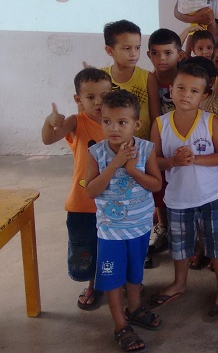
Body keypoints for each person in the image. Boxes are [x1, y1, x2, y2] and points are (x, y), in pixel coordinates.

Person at [149, 63, 218, 321]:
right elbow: (153, 161)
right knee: (180, 246)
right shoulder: (160, 124)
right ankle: (179, 282)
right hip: (177, 199)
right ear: (170, 91)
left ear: (203, 96)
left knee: (217, 246)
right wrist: (173, 162)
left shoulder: (210, 122)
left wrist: (195, 159)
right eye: (181, 88)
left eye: (194, 91)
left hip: (211, 195)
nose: (186, 94)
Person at [84, 90, 162, 353]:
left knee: (134, 274)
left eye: (121, 122)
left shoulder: (146, 149)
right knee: (113, 280)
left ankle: (135, 308)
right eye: (107, 122)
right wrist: (116, 163)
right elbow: (91, 190)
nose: (113, 128)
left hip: (140, 228)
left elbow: (156, 183)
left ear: (136, 124)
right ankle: (120, 325)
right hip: (110, 232)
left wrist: (130, 169)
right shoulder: (96, 153)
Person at [41, 68, 112, 311]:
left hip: (113, 203)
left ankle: (112, 282)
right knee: (86, 248)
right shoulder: (76, 121)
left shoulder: (118, 120)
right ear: (78, 99)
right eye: (91, 97)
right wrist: (49, 123)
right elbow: (49, 139)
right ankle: (93, 285)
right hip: (83, 203)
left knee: (110, 247)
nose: (99, 102)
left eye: (104, 95)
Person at [146, 28, 184, 266]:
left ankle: (181, 228)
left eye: (168, 53)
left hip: (183, 136)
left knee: (180, 183)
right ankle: (163, 226)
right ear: (149, 55)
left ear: (179, 54)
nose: (162, 59)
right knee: (160, 186)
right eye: (156, 53)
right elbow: (154, 112)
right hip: (161, 135)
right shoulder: (150, 78)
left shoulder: (184, 77)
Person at [101, 20, 159, 141]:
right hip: (109, 147)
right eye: (127, 48)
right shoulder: (101, 77)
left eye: (137, 48)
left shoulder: (147, 78)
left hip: (141, 146)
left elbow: (156, 119)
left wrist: (153, 147)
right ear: (109, 50)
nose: (134, 54)